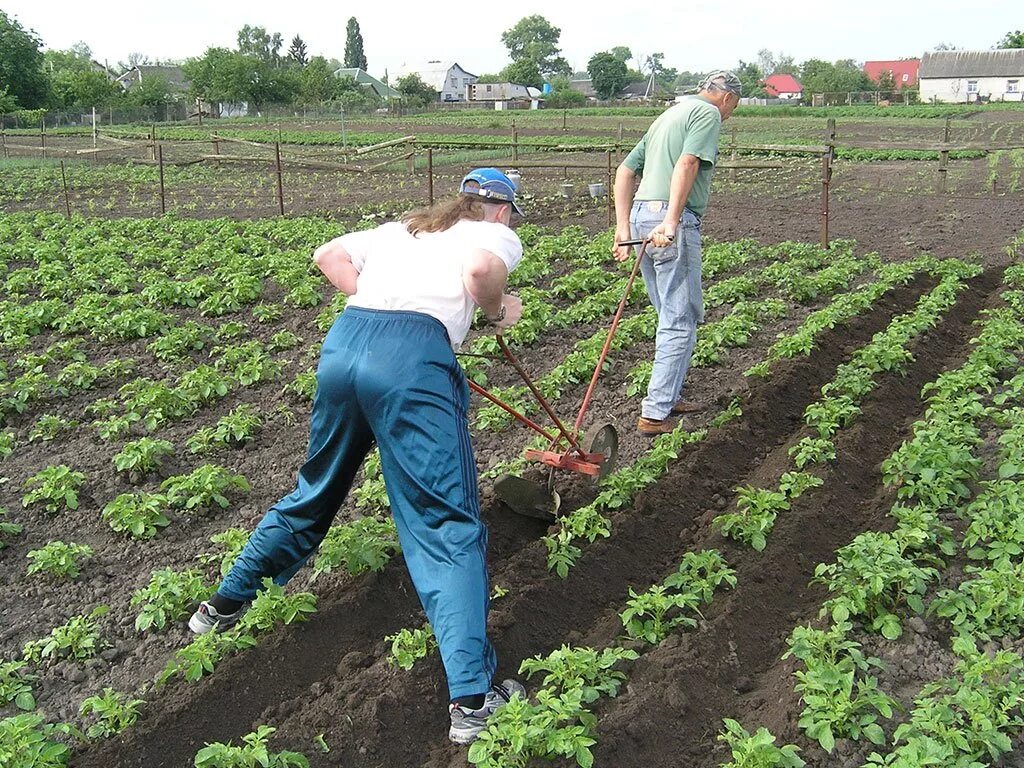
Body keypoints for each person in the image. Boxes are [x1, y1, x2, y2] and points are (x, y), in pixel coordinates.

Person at [188, 168, 529, 746]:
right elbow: (479, 272)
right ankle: (474, 700)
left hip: (346, 346)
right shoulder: (493, 233)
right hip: (413, 362)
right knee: (445, 524)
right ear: (502, 209)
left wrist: (384, 305)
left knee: (315, 489)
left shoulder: (407, 228)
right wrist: (494, 311)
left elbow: (328, 256)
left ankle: (220, 606)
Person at [612, 71, 742, 436]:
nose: (731, 112)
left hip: (639, 216)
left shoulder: (669, 114)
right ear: (728, 98)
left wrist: (623, 229)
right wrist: (671, 220)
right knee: (679, 319)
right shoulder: (708, 114)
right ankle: (654, 414)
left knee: (669, 313)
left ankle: (667, 395)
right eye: (735, 106)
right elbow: (688, 163)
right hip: (669, 219)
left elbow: (625, 170)